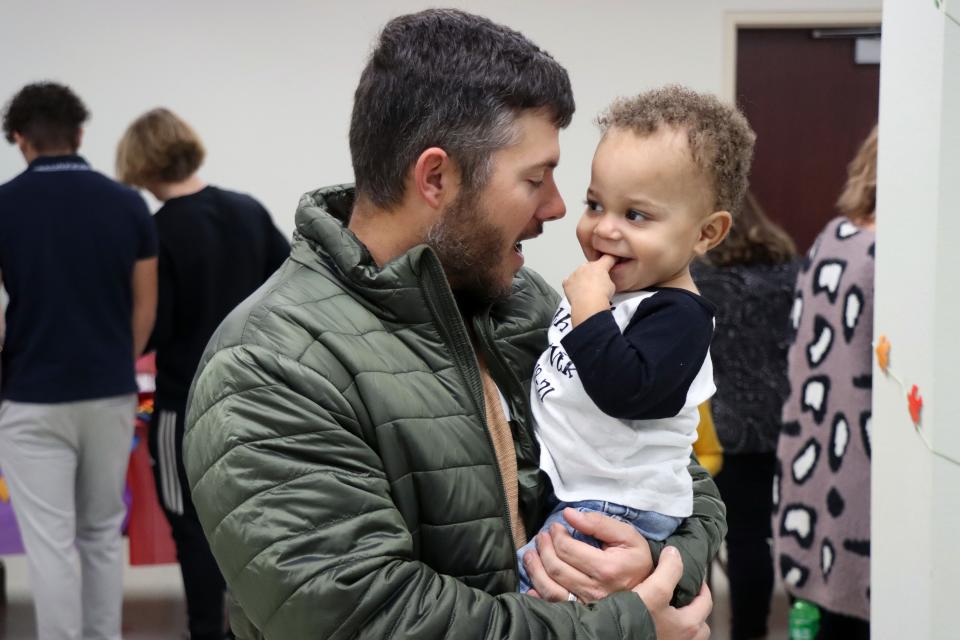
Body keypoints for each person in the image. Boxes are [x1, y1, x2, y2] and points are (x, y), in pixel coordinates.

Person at [183, 10, 724, 639]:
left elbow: (677, 477)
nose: (556, 209)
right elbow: (369, 620)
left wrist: (652, 562)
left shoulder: (521, 300)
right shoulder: (267, 367)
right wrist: (626, 625)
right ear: (436, 177)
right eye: (535, 179)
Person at [516, 87, 754, 606]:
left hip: (615, 508)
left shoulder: (679, 316)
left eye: (636, 216)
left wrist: (588, 311)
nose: (604, 228)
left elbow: (624, 390)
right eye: (596, 204)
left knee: (534, 599)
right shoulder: (621, 297)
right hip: (585, 494)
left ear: (706, 233)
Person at [116, 107, 289, 640]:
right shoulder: (247, 211)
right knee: (253, 523)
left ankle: (204, 633)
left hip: (181, 402)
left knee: (190, 528)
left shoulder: (154, 232)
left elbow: (153, 326)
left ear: (139, 164)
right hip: (253, 399)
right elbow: (285, 291)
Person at [0, 82, 158, 639]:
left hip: (30, 395)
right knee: (98, 533)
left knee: (50, 543)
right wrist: (121, 356)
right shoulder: (127, 203)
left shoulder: (3, 205)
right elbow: (146, 300)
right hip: (109, 390)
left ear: (19, 138)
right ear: (80, 134)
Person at [773, 125, 878, 640]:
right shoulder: (893, 253)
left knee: (821, 597)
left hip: (810, 445)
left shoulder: (833, 237)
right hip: (865, 455)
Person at [692, 192, 799, 639]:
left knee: (744, 537)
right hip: (788, 420)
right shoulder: (791, 272)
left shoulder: (701, 277)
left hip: (727, 427)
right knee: (788, 531)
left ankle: (746, 631)